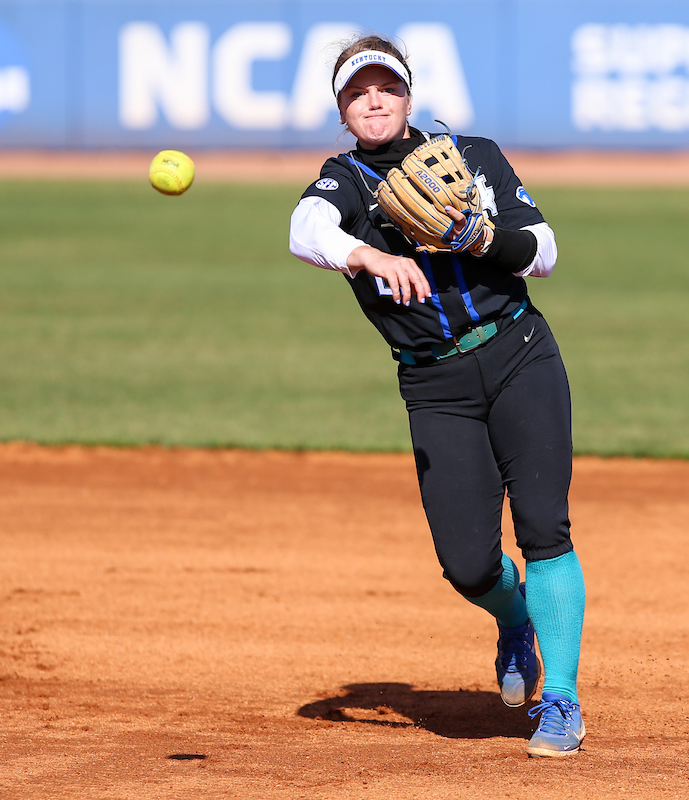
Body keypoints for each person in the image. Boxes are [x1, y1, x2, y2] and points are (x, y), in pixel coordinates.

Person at [288, 34, 587, 758]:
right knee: (468, 566)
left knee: (544, 528)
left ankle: (562, 703)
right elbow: (305, 230)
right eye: (358, 92)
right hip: (433, 383)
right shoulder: (344, 182)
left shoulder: (474, 157)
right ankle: (513, 620)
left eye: (386, 87)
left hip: (519, 353)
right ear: (342, 109)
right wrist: (367, 252)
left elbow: (543, 252)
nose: (374, 101)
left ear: (408, 96)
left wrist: (479, 239)